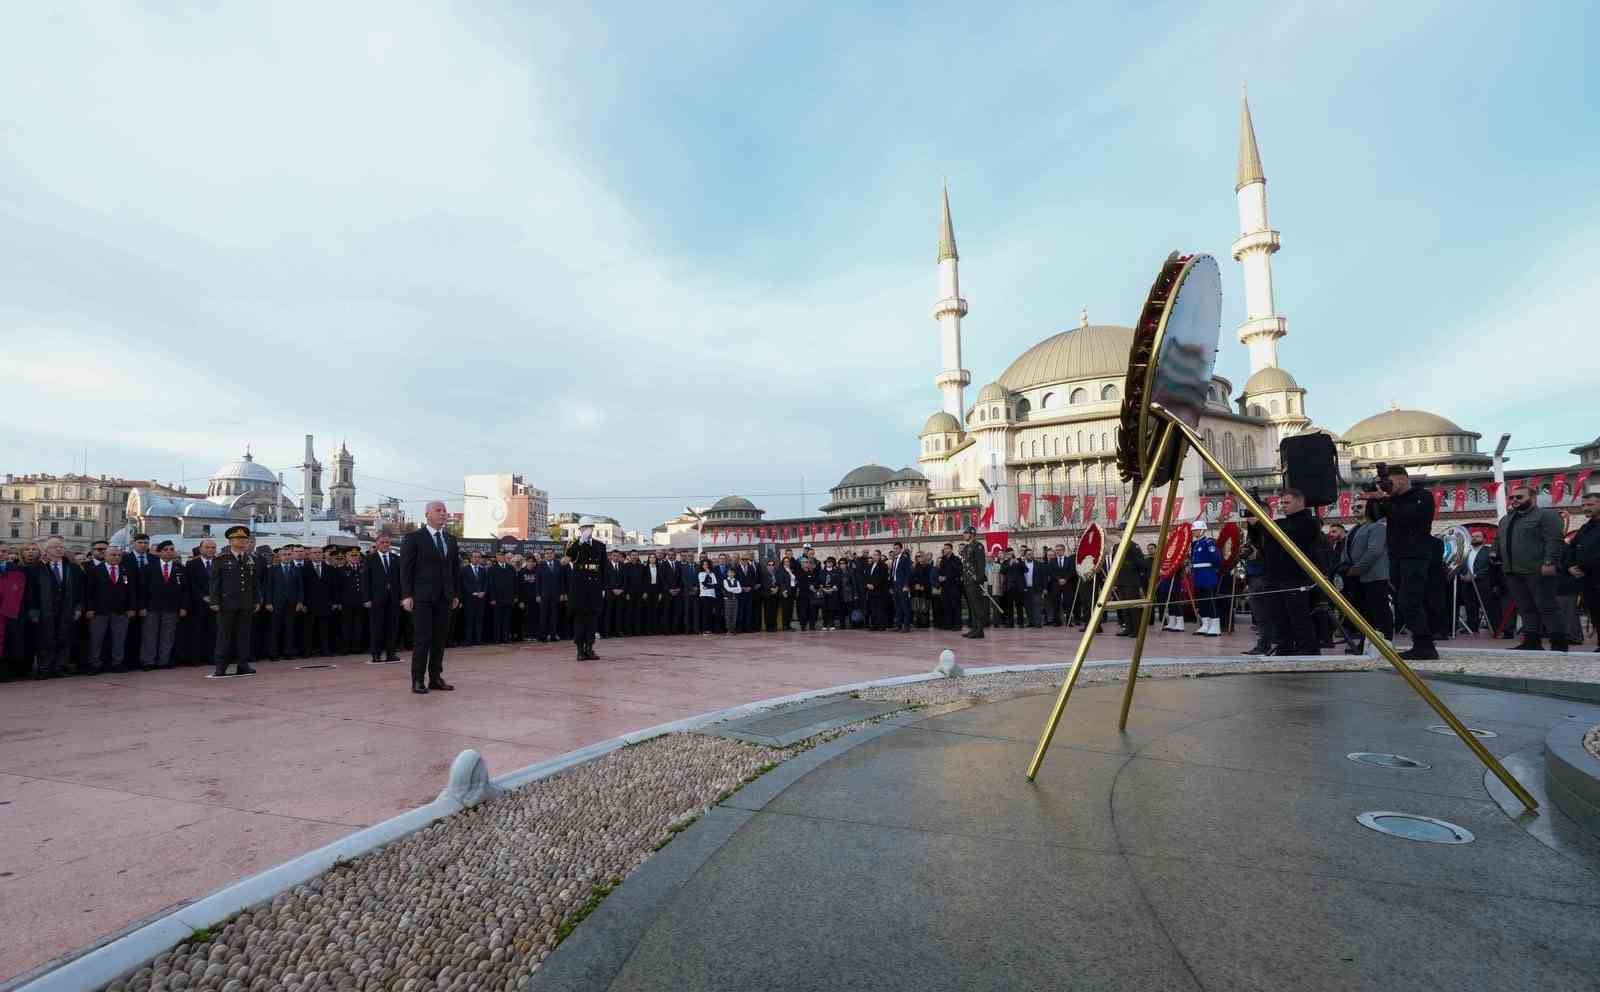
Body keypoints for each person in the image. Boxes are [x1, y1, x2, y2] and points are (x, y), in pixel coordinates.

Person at [1495, 484, 1568, 651]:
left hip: (1538, 569)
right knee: (1525, 608)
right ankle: (1532, 642)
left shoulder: (1546, 515)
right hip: (1513, 571)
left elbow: (1554, 540)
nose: (1514, 500)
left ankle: (1559, 643)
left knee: (1547, 606)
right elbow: (1499, 540)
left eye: (1519, 497)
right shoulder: (1506, 519)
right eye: (1512, 497)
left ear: (1533, 498)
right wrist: (1495, 554)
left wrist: (1549, 562)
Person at [400, 500, 461, 693]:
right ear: (427, 514)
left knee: (439, 640)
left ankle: (435, 678)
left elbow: (454, 570)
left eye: (444, 510)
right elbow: (406, 569)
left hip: (445, 598)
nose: (443, 513)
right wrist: (407, 595)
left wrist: (455, 594)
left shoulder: (450, 540)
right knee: (422, 639)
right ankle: (417, 680)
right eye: (438, 510)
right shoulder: (414, 538)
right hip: (422, 597)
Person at [1382, 466, 1439, 660]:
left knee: (1410, 599)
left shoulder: (1422, 496)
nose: (1388, 487)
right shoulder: (1391, 500)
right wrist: (1375, 499)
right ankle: (1422, 643)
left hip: (1415, 555)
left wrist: (1385, 499)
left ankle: (1425, 645)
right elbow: (1373, 516)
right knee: (1403, 600)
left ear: (1403, 480)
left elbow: (1407, 517)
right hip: (1396, 555)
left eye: (1390, 482)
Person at [1261, 488, 1322, 656]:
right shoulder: (1280, 523)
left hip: (1296, 578)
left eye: (1286, 502)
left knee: (1299, 617)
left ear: (1300, 502)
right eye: (1281, 503)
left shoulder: (1309, 522)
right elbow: (1263, 542)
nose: (1283, 506)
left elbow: (1290, 536)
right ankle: (1284, 647)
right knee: (1279, 618)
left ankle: (1308, 649)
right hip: (1275, 577)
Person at [209, 525, 260, 677]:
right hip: (226, 603)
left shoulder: (249, 559)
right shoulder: (221, 559)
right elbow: (214, 581)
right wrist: (214, 601)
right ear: (230, 541)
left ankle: (243, 664)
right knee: (224, 636)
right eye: (239, 539)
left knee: (243, 635)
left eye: (244, 539)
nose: (243, 541)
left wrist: (257, 600)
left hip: (245, 603)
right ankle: (221, 666)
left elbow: (254, 582)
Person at [1342, 497, 1391, 653]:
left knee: (1379, 612)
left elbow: (1374, 551)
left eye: (1360, 506)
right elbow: (1347, 551)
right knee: (1364, 614)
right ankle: (1365, 645)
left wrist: (1357, 568)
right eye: (1354, 506)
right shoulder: (1355, 529)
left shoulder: (1377, 527)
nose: (1355, 509)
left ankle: (1385, 644)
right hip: (1357, 578)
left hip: (1374, 576)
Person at [85, 545, 137, 673]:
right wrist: (89, 609)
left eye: (119, 555)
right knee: (96, 639)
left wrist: (131, 607)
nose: (116, 557)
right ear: (105, 556)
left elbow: (132, 591)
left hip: (121, 611)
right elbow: (88, 592)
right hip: (99, 611)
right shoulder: (94, 570)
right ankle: (94, 663)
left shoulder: (126, 570)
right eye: (113, 555)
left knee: (119, 638)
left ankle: (117, 663)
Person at [139, 540, 187, 669]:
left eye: (171, 549)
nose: (169, 552)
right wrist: (142, 606)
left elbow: (185, 590)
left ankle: (163, 661)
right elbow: (142, 589)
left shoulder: (180, 568)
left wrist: (183, 607)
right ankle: (148, 661)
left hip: (171, 607)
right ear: (159, 552)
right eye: (166, 550)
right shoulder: (149, 568)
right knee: (150, 635)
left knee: (168, 636)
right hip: (152, 607)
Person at [565, 519, 608, 660]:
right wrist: (579, 541)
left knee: (592, 619)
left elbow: (603, 568)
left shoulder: (600, 545)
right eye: (585, 527)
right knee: (579, 619)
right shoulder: (575, 544)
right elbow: (569, 556)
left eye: (590, 527)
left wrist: (603, 587)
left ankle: (589, 648)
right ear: (580, 529)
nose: (588, 529)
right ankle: (579, 650)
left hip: (594, 586)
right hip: (579, 587)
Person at [365, 534, 404, 662]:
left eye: (387, 542)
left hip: (393, 599)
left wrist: (402, 597)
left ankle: (390, 653)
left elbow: (401, 580)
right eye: (382, 542)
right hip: (376, 599)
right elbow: (366, 580)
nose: (385, 545)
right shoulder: (370, 559)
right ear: (377, 543)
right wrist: (367, 599)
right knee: (376, 627)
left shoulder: (395, 558)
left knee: (392, 627)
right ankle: (376, 654)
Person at [1457, 529, 1502, 636]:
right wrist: (1462, 575)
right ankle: (1473, 627)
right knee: (1470, 606)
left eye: (1477, 536)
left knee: (1489, 606)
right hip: (1467, 583)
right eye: (1473, 536)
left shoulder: (1488, 551)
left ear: (1484, 539)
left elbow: (1489, 567)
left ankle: (1495, 628)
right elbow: (1460, 565)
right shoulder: (1466, 551)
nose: (1474, 538)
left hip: (1483, 582)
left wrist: (1476, 575)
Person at [1571, 491, 1600, 651]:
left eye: (1591, 504)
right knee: (1595, 612)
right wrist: (1571, 566)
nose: (1586, 508)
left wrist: (1584, 566)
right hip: (1588, 580)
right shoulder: (1585, 528)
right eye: (1584, 505)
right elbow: (1571, 549)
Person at [1187, 523, 1222, 636]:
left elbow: (1216, 559)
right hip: (1198, 575)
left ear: (1202, 530)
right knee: (1202, 602)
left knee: (1210, 600)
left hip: (1207, 574)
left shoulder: (1209, 542)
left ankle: (1215, 626)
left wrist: (1212, 570)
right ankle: (1206, 624)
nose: (1193, 532)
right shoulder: (1196, 544)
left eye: (1195, 530)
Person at [960, 526, 988, 639]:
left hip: (975, 580)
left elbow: (981, 564)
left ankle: (980, 630)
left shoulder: (978, 546)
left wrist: (979, 578)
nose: (964, 535)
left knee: (977, 606)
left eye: (966, 533)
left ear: (972, 534)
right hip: (968, 580)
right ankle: (974, 628)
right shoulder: (967, 548)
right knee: (971, 606)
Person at [888, 543, 913, 632]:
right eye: (894, 548)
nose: (895, 550)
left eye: (897, 548)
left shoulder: (905, 559)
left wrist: (906, 585)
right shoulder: (894, 559)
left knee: (905, 606)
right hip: (895, 585)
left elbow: (908, 573)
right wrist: (891, 586)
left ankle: (906, 626)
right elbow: (892, 574)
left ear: (901, 549)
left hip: (902, 586)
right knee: (897, 606)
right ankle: (898, 625)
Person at [694, 558, 719, 635]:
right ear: (702, 566)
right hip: (704, 595)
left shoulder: (712, 573)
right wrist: (707, 574)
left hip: (712, 595)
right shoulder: (701, 574)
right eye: (704, 564)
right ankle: (705, 630)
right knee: (705, 613)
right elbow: (704, 584)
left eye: (707, 564)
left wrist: (709, 574)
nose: (705, 566)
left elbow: (715, 584)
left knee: (710, 613)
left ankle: (710, 629)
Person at [720, 563, 742, 635]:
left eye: (732, 572)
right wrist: (735, 589)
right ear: (727, 573)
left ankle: (733, 629)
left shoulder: (737, 581)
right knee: (728, 614)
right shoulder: (725, 581)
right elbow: (728, 589)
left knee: (734, 614)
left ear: (734, 573)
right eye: (729, 572)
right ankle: (728, 629)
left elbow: (740, 590)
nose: (731, 574)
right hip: (728, 599)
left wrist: (734, 589)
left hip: (735, 599)